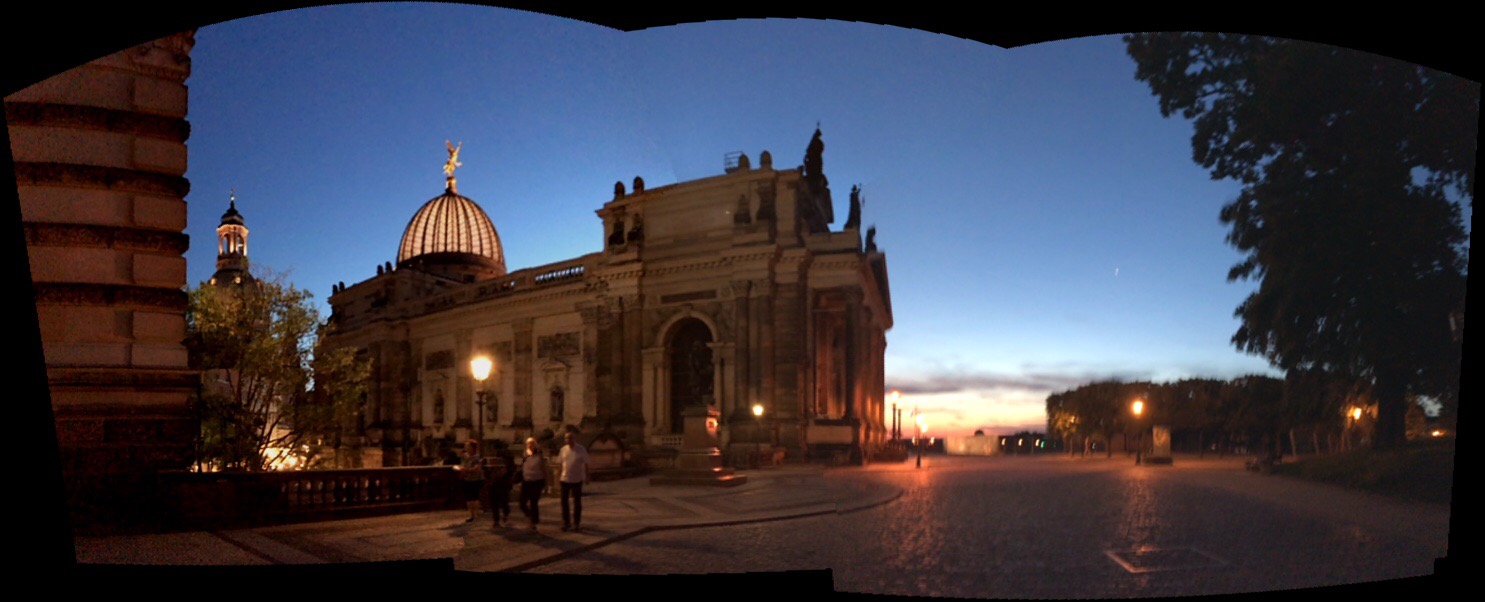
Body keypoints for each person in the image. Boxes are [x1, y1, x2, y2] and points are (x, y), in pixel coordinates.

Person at [557, 431, 591, 532]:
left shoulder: (581, 449)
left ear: (574, 439)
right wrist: (558, 476)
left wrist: (587, 476)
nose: (568, 440)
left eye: (570, 438)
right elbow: (560, 464)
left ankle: (576, 523)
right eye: (566, 438)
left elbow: (586, 463)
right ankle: (566, 522)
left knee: (577, 502)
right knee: (564, 502)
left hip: (577, 479)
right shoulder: (563, 450)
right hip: (565, 478)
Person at [518, 437, 546, 532]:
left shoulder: (539, 455)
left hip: (537, 481)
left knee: (533, 503)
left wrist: (545, 482)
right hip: (526, 481)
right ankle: (531, 516)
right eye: (529, 444)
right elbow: (523, 467)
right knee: (522, 503)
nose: (530, 445)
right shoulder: (525, 454)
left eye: (532, 443)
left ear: (535, 445)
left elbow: (543, 468)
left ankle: (533, 524)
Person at [455, 439, 484, 523]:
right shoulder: (466, 457)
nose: (466, 448)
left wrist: (465, 469)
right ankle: (472, 515)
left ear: (472, 448)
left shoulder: (477, 458)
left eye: (467, 446)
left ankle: (475, 515)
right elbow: (463, 465)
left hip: (475, 479)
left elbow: (476, 469)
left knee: (474, 497)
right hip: (467, 479)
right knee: (469, 498)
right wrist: (460, 468)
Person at [489, 450, 517, 527]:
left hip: (503, 484)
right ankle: (497, 520)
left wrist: (505, 474)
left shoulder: (508, 463)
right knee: (497, 502)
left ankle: (502, 518)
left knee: (503, 502)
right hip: (496, 483)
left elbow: (511, 472)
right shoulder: (495, 462)